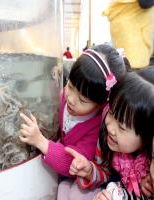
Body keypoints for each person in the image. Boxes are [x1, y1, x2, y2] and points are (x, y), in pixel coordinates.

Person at [19, 44, 127, 200]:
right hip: (63, 170)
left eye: (82, 100)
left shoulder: (97, 128)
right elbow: (50, 94)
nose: (70, 98)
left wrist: (40, 141)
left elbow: (71, 163)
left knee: (68, 191)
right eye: (70, 85)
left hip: (81, 175)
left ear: (103, 103)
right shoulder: (66, 96)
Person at [65, 67, 154, 199]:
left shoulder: (150, 165)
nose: (111, 127)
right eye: (112, 113)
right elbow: (104, 171)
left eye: (122, 127)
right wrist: (90, 170)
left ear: (146, 136)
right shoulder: (107, 137)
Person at [103, 0, 154, 69]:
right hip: (132, 30)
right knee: (133, 66)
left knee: (124, 64)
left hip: (125, 25)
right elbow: (145, 3)